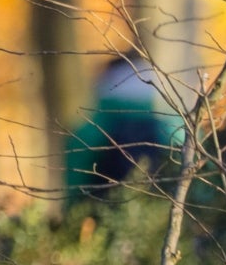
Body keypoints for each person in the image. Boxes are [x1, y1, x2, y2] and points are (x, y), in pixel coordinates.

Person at [63, 54, 180, 198]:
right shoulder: (175, 126)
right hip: (169, 213)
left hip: (105, 213)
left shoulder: (90, 130)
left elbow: (74, 187)